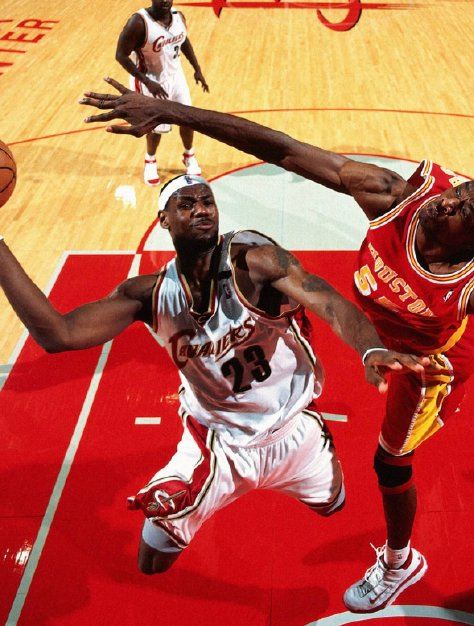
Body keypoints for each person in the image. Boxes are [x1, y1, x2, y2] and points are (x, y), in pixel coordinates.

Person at [79, 78, 474, 610]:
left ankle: (399, 562)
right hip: (385, 332)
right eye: (455, 193)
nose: (444, 204)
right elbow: (282, 149)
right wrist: (171, 111)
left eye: (461, 212)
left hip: (428, 361)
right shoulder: (394, 197)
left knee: (390, 465)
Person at [0, 173, 429, 576]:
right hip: (217, 440)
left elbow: (330, 303)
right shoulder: (148, 295)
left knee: (333, 504)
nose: (201, 209)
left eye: (207, 201)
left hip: (293, 427)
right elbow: (58, 334)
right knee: (151, 560)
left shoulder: (256, 263)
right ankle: (202, 487)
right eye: (186, 204)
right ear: (164, 220)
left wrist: (369, 347)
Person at [115, 0, 209, 186]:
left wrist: (197, 69)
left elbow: (184, 41)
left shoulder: (178, 17)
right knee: (156, 125)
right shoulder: (138, 22)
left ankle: (189, 155)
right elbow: (120, 55)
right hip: (151, 79)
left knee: (188, 118)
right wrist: (147, 82)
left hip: (176, 75)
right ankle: (150, 160)